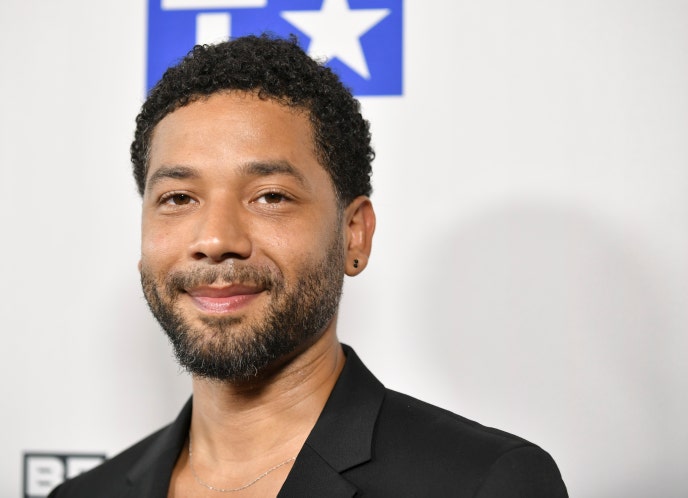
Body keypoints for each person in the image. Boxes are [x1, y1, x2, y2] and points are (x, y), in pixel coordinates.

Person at [50, 34, 567, 497]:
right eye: (179, 198)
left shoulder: (483, 483)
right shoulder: (83, 495)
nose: (215, 240)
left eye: (270, 196)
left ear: (353, 233)